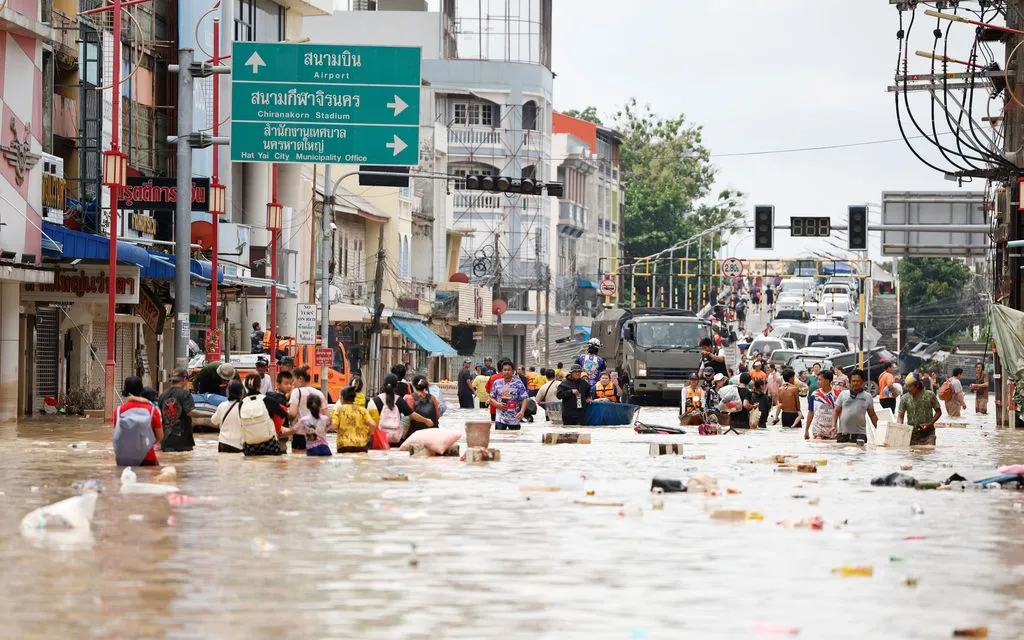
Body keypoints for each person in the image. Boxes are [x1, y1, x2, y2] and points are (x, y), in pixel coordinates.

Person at [113, 376, 163, 467]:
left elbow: (118, 435)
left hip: (124, 458)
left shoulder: (118, 411)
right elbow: (160, 436)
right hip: (147, 457)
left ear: (126, 391)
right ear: (141, 390)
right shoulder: (152, 410)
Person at [369, 374, 433, 445]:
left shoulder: (375, 400)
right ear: (396, 386)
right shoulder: (399, 400)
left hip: (379, 439)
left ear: (384, 385)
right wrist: (426, 420)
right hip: (395, 438)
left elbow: (369, 419)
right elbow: (412, 414)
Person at [833, 369, 878, 444]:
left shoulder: (868, 396)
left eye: (858, 381)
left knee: (860, 451)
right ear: (850, 382)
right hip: (843, 433)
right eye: (853, 381)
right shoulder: (843, 394)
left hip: (860, 435)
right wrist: (833, 426)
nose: (855, 383)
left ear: (862, 381)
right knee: (841, 451)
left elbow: (872, 415)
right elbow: (836, 411)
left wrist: (880, 429)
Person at [157, 369, 196, 452]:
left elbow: (159, 416)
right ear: (184, 379)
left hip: (166, 440)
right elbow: (190, 412)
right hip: (182, 440)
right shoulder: (185, 394)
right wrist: (208, 414)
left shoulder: (162, 395)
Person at [898, 372, 942, 446]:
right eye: (906, 386)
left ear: (917, 385)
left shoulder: (930, 395)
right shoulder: (904, 398)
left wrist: (930, 424)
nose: (907, 389)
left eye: (910, 386)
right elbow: (900, 415)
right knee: (912, 452)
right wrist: (900, 427)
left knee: (929, 450)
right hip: (912, 434)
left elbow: (938, 412)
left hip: (928, 434)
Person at [288, 367, 327, 451]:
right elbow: (327, 417)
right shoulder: (319, 393)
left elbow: (292, 414)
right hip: (317, 436)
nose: (293, 383)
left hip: (300, 436)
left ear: (300, 379)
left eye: (294, 380)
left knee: (298, 458)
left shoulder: (296, 392)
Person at [333, 385, 377, 453]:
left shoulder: (339, 410)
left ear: (341, 398)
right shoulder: (362, 410)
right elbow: (373, 424)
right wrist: (368, 435)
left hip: (344, 446)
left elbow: (334, 426)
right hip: (361, 446)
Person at [489, 359, 530, 430]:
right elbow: (491, 397)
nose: (506, 372)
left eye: (509, 370)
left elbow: (525, 398)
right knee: (499, 435)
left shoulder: (518, 383)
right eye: (504, 370)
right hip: (500, 418)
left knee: (515, 436)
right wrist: (497, 404)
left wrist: (522, 412)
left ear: (513, 371)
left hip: (515, 418)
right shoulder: (497, 383)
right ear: (502, 371)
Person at [212, 381, 247, 453]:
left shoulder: (222, 405)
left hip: (223, 444)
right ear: (241, 393)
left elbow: (214, 421)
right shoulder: (244, 407)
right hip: (238, 445)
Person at [405, 375, 441, 440]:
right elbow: (437, 416)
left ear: (413, 385)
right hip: (432, 433)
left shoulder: (410, 398)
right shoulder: (432, 398)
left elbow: (407, 418)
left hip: (415, 434)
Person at [805, 370, 838, 440]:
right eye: (818, 379)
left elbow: (840, 414)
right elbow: (811, 412)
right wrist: (806, 430)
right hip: (818, 431)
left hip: (832, 431)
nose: (818, 382)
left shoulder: (837, 395)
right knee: (818, 445)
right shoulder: (814, 394)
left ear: (827, 381)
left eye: (820, 380)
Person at [265, 370, 294, 438]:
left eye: (291, 384)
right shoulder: (280, 399)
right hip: (280, 434)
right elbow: (280, 420)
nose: (289, 386)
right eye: (286, 383)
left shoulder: (272, 396)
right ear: (278, 385)